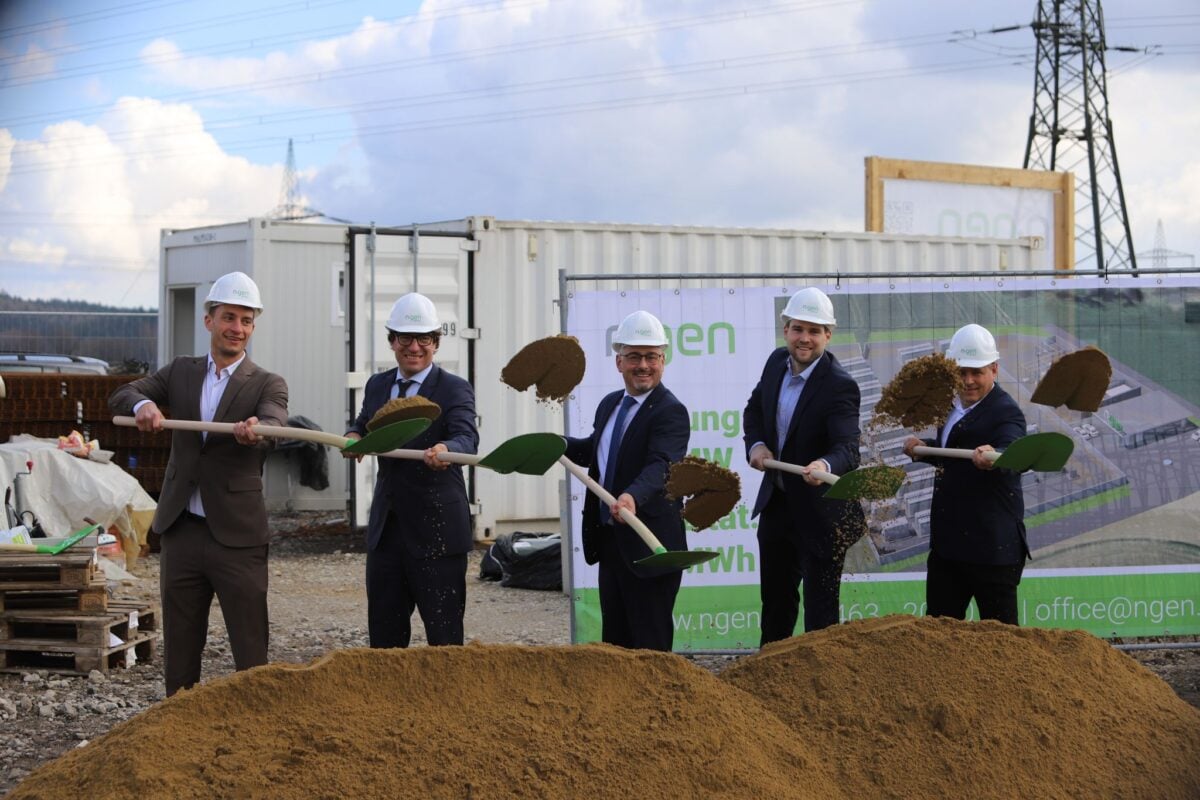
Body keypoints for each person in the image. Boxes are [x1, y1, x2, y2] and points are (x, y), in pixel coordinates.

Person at [108, 271, 288, 696]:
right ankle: (178, 731)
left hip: (237, 536)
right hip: (182, 529)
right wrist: (145, 403)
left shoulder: (267, 383)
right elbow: (123, 394)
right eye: (229, 317)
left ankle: (256, 731)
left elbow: (276, 423)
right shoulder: (182, 373)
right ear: (209, 320)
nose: (237, 328)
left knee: (249, 649)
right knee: (182, 648)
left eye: (246, 320)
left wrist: (258, 429)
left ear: (253, 326)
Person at [346, 292, 478, 648]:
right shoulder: (377, 385)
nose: (414, 347)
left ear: (436, 343)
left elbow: (467, 436)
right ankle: (389, 704)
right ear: (392, 341)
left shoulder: (453, 389)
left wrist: (447, 449)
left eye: (424, 339)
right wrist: (353, 436)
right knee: (385, 639)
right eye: (405, 338)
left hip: (438, 531)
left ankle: (446, 705)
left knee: (445, 637)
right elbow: (362, 423)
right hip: (388, 532)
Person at [743, 287, 865, 643]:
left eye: (814, 331)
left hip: (821, 514)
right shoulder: (775, 364)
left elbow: (848, 448)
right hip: (779, 507)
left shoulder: (840, 386)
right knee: (776, 604)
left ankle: (821, 689)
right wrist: (758, 444)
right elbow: (753, 409)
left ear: (828, 335)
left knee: (820, 613)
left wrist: (824, 464)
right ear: (786, 330)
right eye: (798, 329)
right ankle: (769, 677)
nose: (805, 338)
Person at [563, 310, 690, 651]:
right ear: (619, 362)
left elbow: (662, 465)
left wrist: (632, 496)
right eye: (634, 357)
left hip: (650, 546)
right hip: (613, 542)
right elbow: (597, 453)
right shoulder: (610, 405)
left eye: (651, 357)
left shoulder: (670, 411)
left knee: (650, 647)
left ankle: (656, 705)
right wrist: (557, 446)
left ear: (663, 361)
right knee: (616, 644)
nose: (643, 365)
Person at [903, 323, 1028, 625]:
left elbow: (1014, 452)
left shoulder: (1006, 412)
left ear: (994, 369)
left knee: (1001, 645)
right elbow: (955, 453)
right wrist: (925, 449)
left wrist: (996, 458)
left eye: (977, 372)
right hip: (948, 549)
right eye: (961, 372)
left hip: (992, 552)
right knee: (940, 640)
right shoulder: (950, 404)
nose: (968, 381)